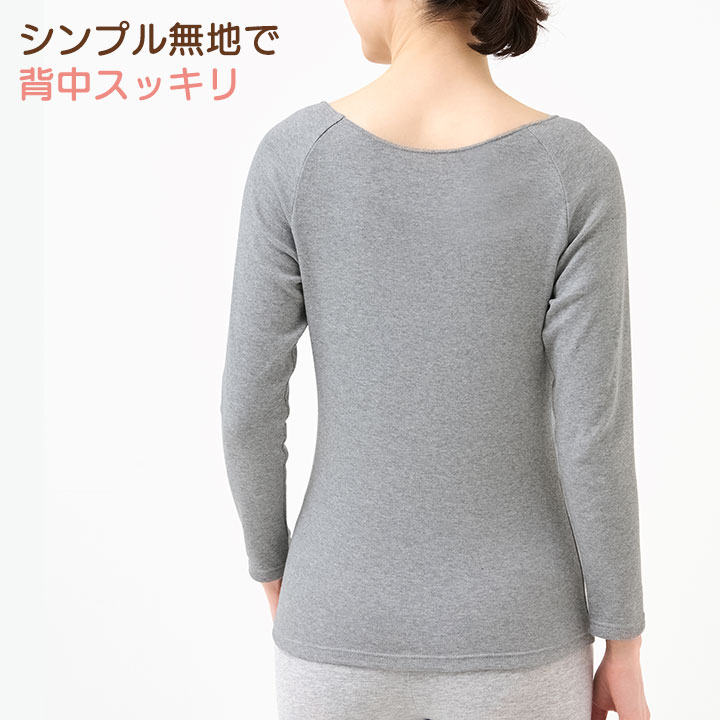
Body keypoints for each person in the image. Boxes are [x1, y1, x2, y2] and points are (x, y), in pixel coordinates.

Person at [220, 1, 651, 718]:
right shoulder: (574, 169)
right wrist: (624, 642)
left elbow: (247, 410)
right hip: (523, 629)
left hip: (337, 616)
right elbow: (592, 435)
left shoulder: (296, 155)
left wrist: (274, 573)